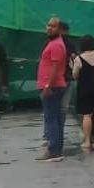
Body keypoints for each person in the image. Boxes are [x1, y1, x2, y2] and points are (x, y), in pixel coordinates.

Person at [36, 17, 67, 163]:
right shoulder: (53, 43)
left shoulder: (56, 45)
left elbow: (55, 67)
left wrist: (48, 85)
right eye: (48, 25)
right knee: (55, 118)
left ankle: (53, 150)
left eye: (53, 26)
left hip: (52, 87)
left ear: (59, 29)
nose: (49, 28)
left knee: (51, 118)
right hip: (52, 86)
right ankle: (57, 149)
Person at [59, 21, 76, 138]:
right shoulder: (70, 44)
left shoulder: (52, 42)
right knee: (63, 108)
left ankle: (51, 133)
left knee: (53, 108)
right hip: (67, 78)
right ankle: (59, 131)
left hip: (57, 80)